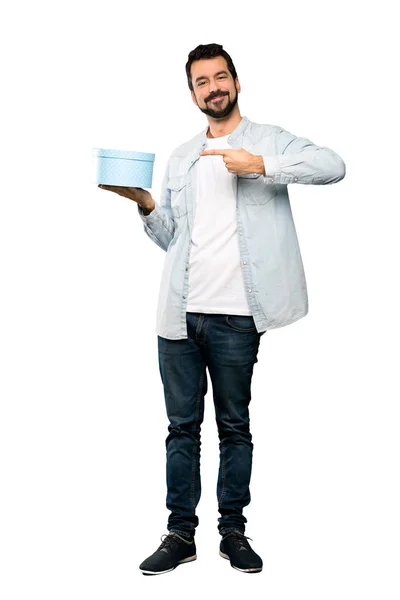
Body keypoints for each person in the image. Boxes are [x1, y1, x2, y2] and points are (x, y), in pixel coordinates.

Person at [98, 43, 346, 576]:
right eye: (201, 82)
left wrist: (262, 164)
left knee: (234, 426)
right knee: (180, 428)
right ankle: (179, 534)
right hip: (179, 315)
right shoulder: (183, 156)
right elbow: (174, 239)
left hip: (237, 317)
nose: (213, 87)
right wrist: (144, 203)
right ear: (191, 93)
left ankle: (232, 531)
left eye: (220, 77)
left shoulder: (268, 140)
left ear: (236, 81)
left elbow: (334, 166)